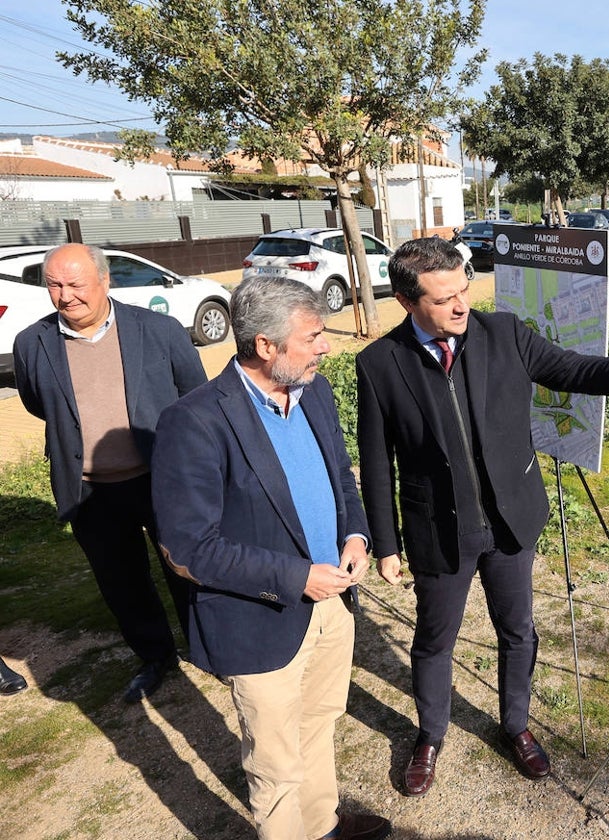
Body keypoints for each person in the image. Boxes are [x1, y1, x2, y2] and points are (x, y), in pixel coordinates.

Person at [355, 236, 609, 797]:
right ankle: (430, 734)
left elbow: (574, 370)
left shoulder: (505, 334)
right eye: (444, 299)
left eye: (463, 291)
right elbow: (376, 459)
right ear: (405, 300)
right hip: (439, 530)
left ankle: (515, 724)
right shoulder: (379, 364)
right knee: (434, 639)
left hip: (510, 521)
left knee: (517, 629)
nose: (461, 306)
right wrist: (386, 543)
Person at [150, 276, 390, 840]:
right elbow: (188, 548)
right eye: (312, 336)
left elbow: (342, 482)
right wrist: (295, 577)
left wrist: (356, 536)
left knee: (319, 726)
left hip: (333, 605)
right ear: (265, 345)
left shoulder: (316, 394)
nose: (326, 345)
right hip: (260, 619)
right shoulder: (195, 421)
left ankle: (323, 824)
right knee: (276, 762)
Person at [14, 243, 204, 704]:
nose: (65, 295)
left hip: (163, 479)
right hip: (92, 491)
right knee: (122, 581)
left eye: (76, 284)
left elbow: (194, 397)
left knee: (190, 569)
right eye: (54, 285)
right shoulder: (31, 343)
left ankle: (207, 647)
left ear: (105, 280)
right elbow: (38, 404)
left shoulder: (157, 330)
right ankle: (155, 656)